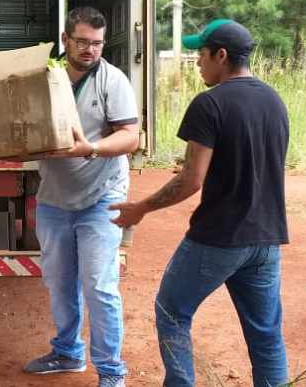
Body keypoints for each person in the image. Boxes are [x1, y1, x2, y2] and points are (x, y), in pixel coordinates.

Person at [110, 19, 290, 387]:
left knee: (171, 310)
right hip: (267, 239)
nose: (197, 62)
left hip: (218, 237)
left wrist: (140, 208)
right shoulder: (274, 100)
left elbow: (192, 179)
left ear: (221, 56)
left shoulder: (209, 103)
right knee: (266, 334)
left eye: (201, 54)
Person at [23, 6, 139, 387]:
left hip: (101, 196)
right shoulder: (46, 78)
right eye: (83, 42)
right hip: (54, 197)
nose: (90, 50)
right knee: (58, 281)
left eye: (97, 43)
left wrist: (88, 149)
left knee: (99, 285)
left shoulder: (113, 80)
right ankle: (67, 353)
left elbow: (129, 137)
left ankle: (111, 372)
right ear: (65, 40)